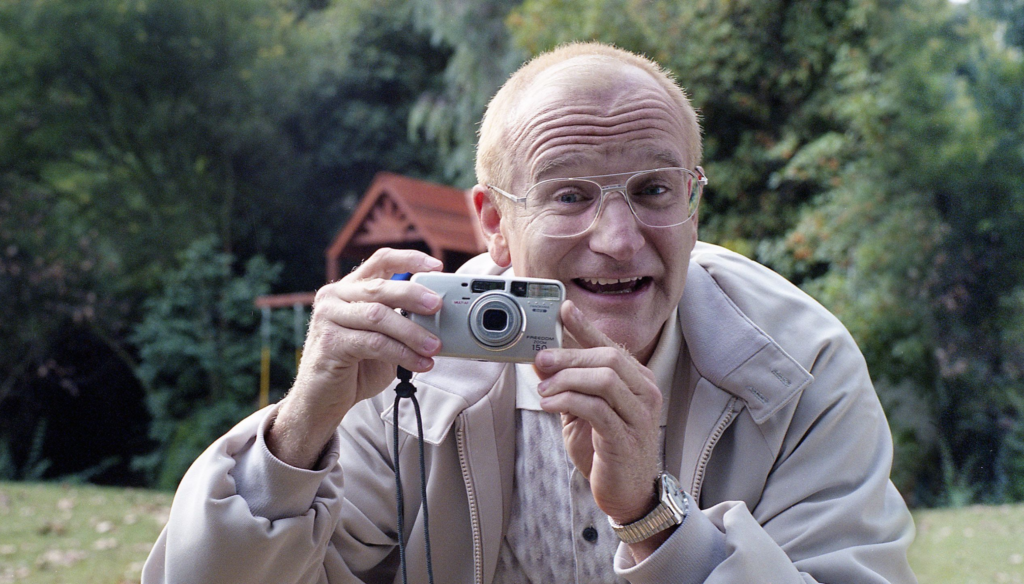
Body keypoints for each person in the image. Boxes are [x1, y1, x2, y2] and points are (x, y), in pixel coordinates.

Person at [143, 42, 917, 584]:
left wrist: (653, 518)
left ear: (693, 201)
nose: (618, 243)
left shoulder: (798, 364)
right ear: (493, 225)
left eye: (653, 190)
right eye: (570, 195)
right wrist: (299, 428)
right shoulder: (408, 359)